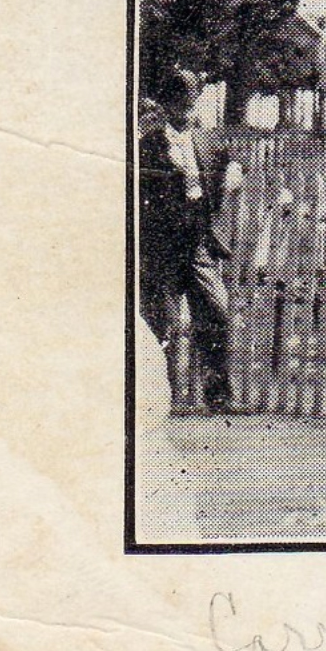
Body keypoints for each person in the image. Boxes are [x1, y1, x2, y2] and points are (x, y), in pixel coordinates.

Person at [137, 70, 241, 413]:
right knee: (163, 322)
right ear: (167, 105)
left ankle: (218, 397)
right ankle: (163, 398)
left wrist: (234, 171)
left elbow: (230, 164)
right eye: (178, 104)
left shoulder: (208, 141)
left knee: (216, 313)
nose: (186, 110)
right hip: (164, 245)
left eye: (190, 102)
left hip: (199, 243)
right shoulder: (148, 144)